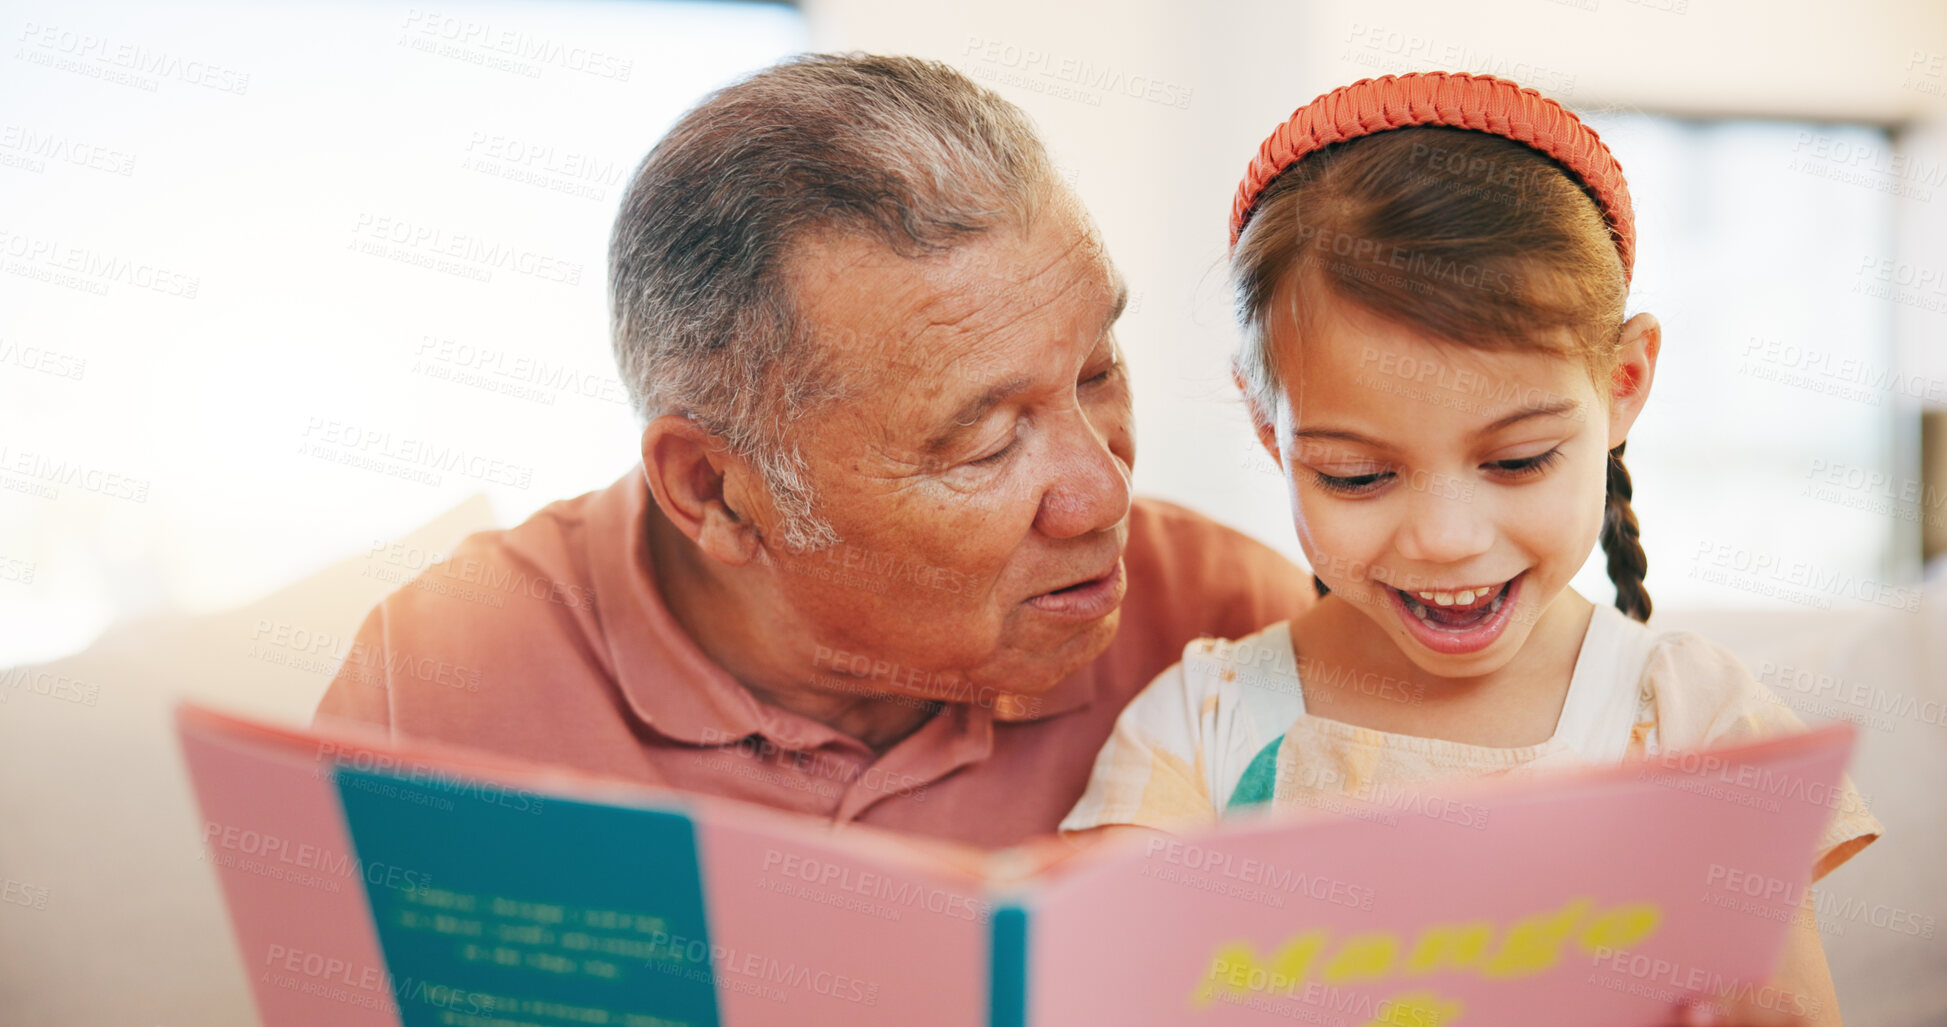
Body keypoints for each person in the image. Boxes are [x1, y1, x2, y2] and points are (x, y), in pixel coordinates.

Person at [311, 53, 1313, 848]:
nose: (1104, 493)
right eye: (988, 442)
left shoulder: (1239, 633)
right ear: (714, 490)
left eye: (1097, 370)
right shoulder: (440, 674)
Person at [1059, 72, 1882, 1024]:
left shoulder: (1699, 727)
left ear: (1621, 383)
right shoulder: (1205, 725)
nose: (1446, 540)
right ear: (1268, 428)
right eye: (1358, 476)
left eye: (1518, 460)